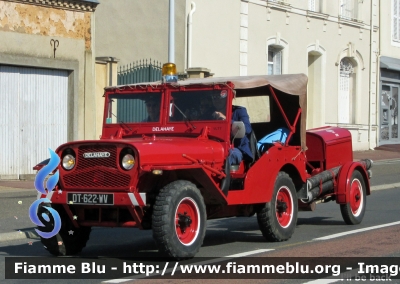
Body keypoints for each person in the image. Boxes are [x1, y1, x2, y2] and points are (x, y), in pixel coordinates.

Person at [210, 93, 253, 165]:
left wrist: (226, 120)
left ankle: (223, 175)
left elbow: (247, 129)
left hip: (237, 147)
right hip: (215, 147)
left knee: (227, 156)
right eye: (214, 97)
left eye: (220, 97)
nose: (217, 100)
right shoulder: (209, 113)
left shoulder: (239, 111)